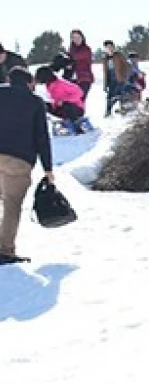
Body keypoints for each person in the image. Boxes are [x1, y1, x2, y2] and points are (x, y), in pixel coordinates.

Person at [0, 67, 54, 265]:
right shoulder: (34, 102)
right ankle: (5, 251)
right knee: (11, 205)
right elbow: (42, 137)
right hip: (18, 161)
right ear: (29, 83)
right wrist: (48, 168)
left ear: (8, 79)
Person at [33, 67, 90, 133]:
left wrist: (64, 100)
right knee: (42, 104)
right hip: (60, 109)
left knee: (66, 105)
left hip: (76, 109)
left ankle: (77, 125)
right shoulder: (49, 85)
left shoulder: (61, 83)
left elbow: (79, 92)